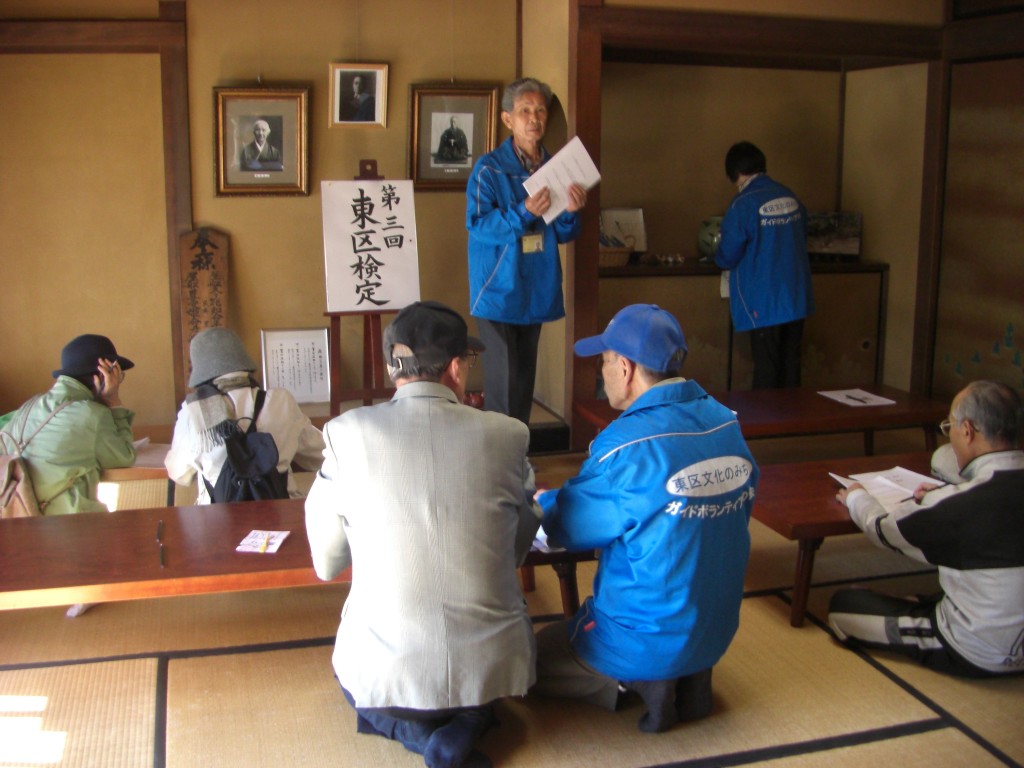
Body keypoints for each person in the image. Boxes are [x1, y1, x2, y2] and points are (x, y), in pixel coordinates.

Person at [305, 300, 542, 768]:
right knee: (479, 688)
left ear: (392, 367)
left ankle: (419, 736)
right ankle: (467, 721)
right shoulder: (508, 435)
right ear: (456, 367)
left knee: (357, 684)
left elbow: (327, 563)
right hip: (491, 669)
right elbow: (515, 551)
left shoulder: (345, 434)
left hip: (385, 670)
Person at [532, 304, 758, 733]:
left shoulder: (626, 445)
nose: (601, 373)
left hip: (639, 636)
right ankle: (687, 674)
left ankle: (633, 681)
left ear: (625, 367)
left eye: (603, 361)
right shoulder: (725, 423)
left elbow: (568, 527)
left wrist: (548, 502)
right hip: (716, 629)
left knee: (532, 657)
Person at [828, 380, 1024, 678]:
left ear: (967, 431)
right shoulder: (958, 500)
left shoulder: (957, 504)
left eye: (949, 427)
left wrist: (856, 496)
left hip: (975, 651)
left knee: (843, 607)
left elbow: (882, 530)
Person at [466, 77, 588, 425]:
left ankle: (518, 453)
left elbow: (562, 234)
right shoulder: (489, 169)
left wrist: (571, 212)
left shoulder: (557, 168)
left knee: (522, 386)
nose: (534, 118)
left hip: (536, 288)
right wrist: (524, 211)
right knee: (504, 387)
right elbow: (479, 226)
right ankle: (500, 455)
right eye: (525, 111)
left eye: (540, 111)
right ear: (508, 119)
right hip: (499, 290)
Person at [165, 327, 324, 504]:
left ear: (201, 372)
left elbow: (179, 474)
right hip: (279, 509)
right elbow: (318, 454)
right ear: (243, 361)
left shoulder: (194, 411)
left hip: (217, 515)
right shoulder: (281, 401)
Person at [1, 333, 136, 516]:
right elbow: (124, 456)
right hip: (68, 524)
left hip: (16, 520)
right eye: (117, 374)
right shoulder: (91, 414)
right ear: (103, 374)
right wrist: (113, 402)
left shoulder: (29, 406)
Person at [714, 141, 814, 389]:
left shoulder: (743, 204)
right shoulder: (790, 196)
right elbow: (803, 234)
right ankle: (793, 414)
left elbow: (728, 254)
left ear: (734, 172)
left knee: (767, 367)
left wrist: (716, 257)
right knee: (791, 364)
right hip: (796, 296)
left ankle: (766, 415)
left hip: (766, 299)